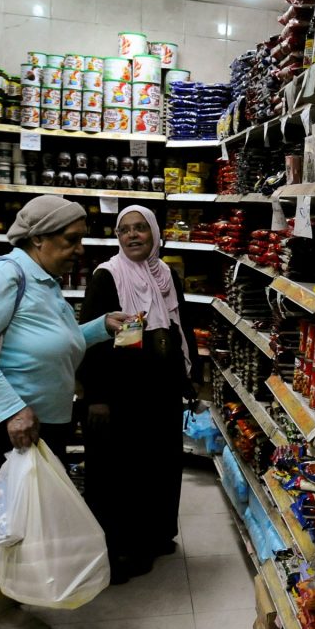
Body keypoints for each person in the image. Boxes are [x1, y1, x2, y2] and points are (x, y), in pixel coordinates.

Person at [0, 195, 129, 629]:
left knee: (20, 513)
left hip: (34, 423)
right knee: (4, 516)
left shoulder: (44, 281)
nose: (79, 249)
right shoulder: (4, 274)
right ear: (37, 239)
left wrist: (99, 328)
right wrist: (12, 409)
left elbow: (51, 341)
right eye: (70, 240)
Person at [79, 205, 199, 584]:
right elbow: (91, 341)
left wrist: (189, 376)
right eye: (125, 230)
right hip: (121, 394)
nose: (132, 235)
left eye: (140, 228)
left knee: (160, 464)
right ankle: (120, 550)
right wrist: (97, 396)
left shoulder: (166, 275)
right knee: (121, 473)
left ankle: (155, 535)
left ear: (154, 234)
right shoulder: (107, 276)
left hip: (160, 390)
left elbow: (181, 326)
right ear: (117, 237)